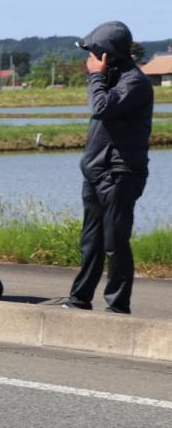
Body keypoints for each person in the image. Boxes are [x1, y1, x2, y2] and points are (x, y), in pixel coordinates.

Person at [63, 21, 153, 314]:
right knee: (91, 241)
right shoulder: (110, 77)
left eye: (93, 53)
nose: (89, 59)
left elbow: (101, 107)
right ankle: (79, 299)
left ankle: (117, 306)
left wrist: (96, 78)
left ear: (108, 54)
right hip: (96, 171)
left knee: (115, 242)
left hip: (120, 173)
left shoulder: (134, 82)